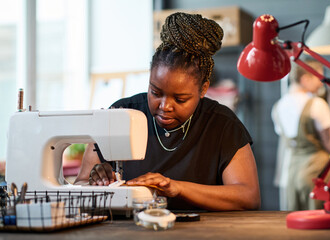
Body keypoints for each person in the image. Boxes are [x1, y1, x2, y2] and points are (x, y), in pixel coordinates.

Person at [75, 12, 260, 211]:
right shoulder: (120, 113)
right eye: (155, 92)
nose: (165, 106)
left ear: (204, 89)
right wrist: (97, 182)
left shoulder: (222, 124)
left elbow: (248, 197)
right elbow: (80, 185)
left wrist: (176, 187)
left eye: (180, 99)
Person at [271, 59, 330, 211]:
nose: (321, 84)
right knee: (321, 227)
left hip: (292, 175)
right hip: (316, 175)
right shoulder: (317, 104)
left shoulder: (278, 107)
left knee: (297, 225)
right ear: (305, 79)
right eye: (319, 79)